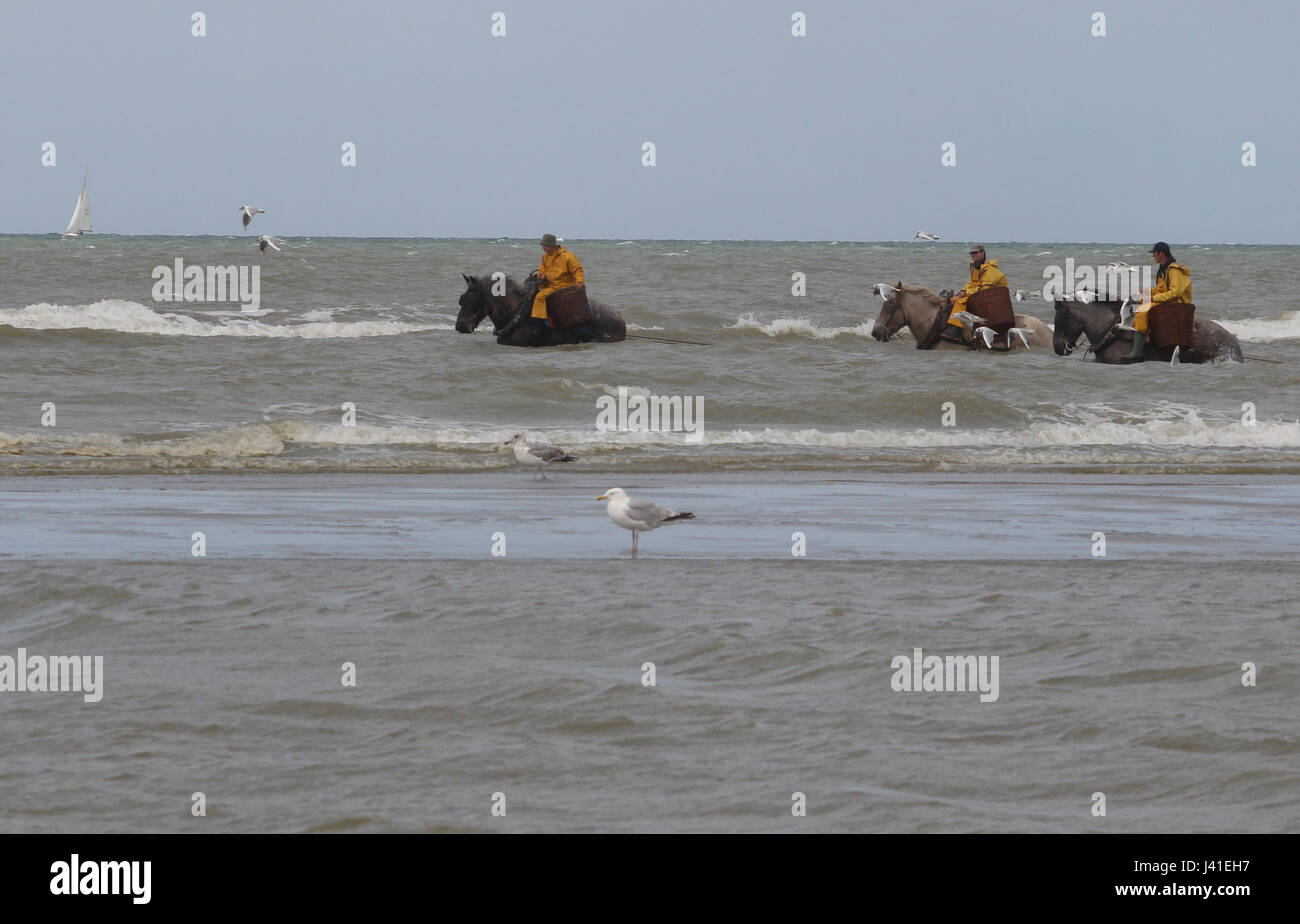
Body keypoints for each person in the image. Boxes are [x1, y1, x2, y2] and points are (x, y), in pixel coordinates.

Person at [1124, 242, 1191, 358]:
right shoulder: (1163, 269)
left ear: (1161, 254)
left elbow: (1174, 293)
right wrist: (1143, 292)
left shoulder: (1174, 270)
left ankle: (1137, 351)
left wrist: (1151, 298)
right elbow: (1159, 289)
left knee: (1142, 311)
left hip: (1176, 304)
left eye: (1154, 254)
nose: (1153, 256)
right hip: (1167, 301)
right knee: (1143, 304)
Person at [947, 245, 1008, 330]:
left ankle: (956, 329)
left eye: (975, 252)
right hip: (980, 295)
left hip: (992, 298)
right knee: (952, 300)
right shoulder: (975, 267)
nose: (973, 255)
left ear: (982, 253)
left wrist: (966, 293)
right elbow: (972, 283)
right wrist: (963, 290)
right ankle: (950, 323)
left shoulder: (990, 270)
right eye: (971, 253)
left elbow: (984, 289)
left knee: (960, 303)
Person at [531, 233, 585, 324]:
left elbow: (577, 270)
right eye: (542, 245)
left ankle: (539, 322)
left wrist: (579, 281)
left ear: (552, 245)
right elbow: (541, 271)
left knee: (540, 297)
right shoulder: (545, 257)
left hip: (564, 287)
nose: (543, 248)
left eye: (545, 246)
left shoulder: (568, 256)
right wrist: (542, 276)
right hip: (551, 287)